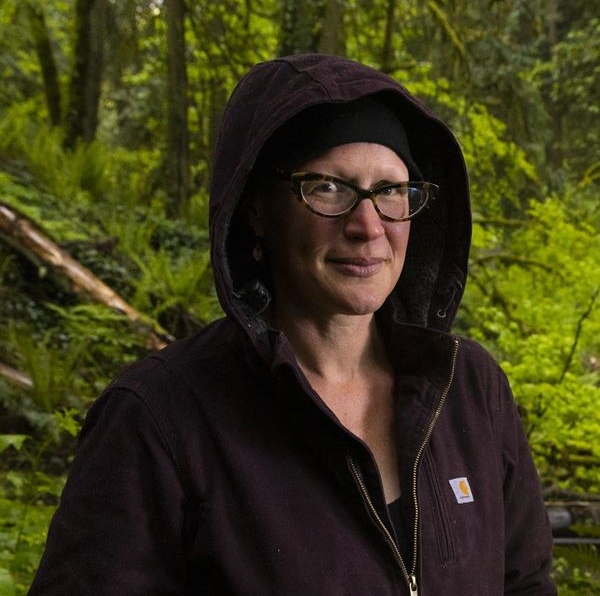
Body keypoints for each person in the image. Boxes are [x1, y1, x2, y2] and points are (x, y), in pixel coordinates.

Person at [29, 54, 556, 595]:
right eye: (329, 187)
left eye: (391, 190)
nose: (368, 226)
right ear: (257, 208)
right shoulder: (159, 420)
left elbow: (526, 585)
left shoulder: (470, 389)